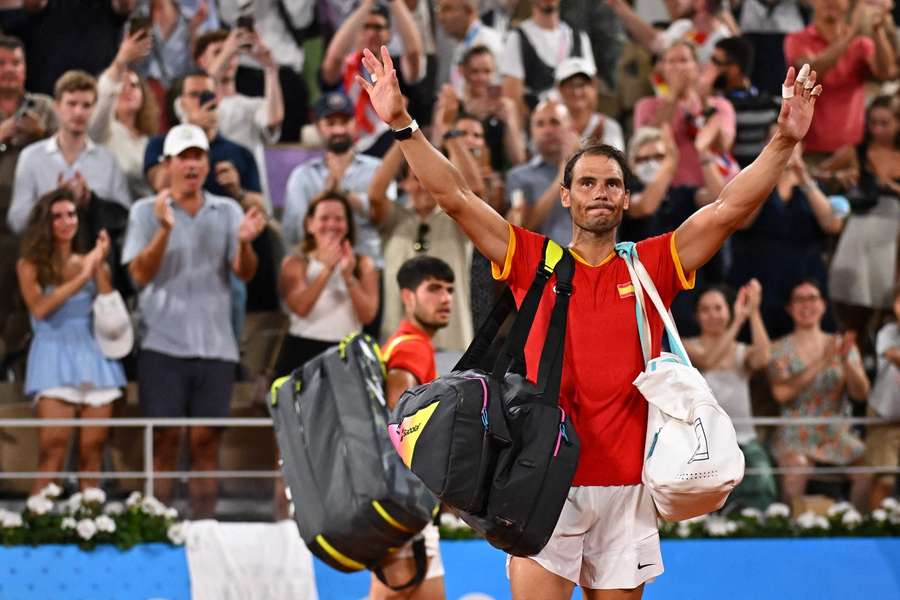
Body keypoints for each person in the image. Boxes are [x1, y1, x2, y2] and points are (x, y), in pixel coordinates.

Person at [358, 44, 821, 598]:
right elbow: (455, 196)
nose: (599, 193)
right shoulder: (534, 259)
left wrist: (785, 141)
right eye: (587, 183)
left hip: (628, 489)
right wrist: (403, 125)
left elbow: (729, 208)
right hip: (542, 485)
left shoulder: (653, 265)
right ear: (566, 195)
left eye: (611, 184)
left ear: (626, 197)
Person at [122, 123, 266, 517]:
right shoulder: (144, 212)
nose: (191, 164)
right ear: (167, 164)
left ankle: (205, 532)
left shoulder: (228, 210)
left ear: (206, 163)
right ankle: (159, 530)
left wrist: (245, 242)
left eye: (197, 156)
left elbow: (244, 272)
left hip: (216, 348)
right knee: (164, 442)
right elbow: (138, 275)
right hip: (161, 347)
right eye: (182, 157)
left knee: (206, 444)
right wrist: (164, 231)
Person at [17, 187, 125, 493]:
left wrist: (98, 265)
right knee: (52, 448)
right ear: (45, 223)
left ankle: (91, 523)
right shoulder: (30, 264)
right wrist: (84, 273)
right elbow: (40, 308)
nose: (67, 221)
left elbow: (108, 302)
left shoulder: (90, 262)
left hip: (94, 356)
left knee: (93, 450)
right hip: (52, 355)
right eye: (58, 216)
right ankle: (39, 527)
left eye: (71, 214)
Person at [374, 255, 454, 600]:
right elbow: (398, 423)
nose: (446, 298)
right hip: (403, 504)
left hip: (411, 506)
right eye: (434, 288)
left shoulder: (400, 343)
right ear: (408, 297)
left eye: (449, 289)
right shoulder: (413, 347)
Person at [768, 279, 871, 511]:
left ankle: (857, 527)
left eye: (812, 298)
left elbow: (861, 394)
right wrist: (822, 362)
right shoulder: (778, 349)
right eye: (799, 299)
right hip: (795, 428)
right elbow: (781, 393)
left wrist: (847, 363)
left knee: (866, 471)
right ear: (789, 308)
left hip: (834, 429)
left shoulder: (841, 345)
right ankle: (787, 528)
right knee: (796, 467)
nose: (807, 305)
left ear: (823, 305)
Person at [728, 134, 845, 339]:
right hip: (760, 275)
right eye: (779, 140)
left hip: (804, 276)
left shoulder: (815, 187)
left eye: (792, 142)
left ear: (803, 147)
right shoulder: (751, 183)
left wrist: (803, 177)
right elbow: (742, 222)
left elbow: (831, 224)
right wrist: (768, 177)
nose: (786, 148)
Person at [369, 136, 478, 352]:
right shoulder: (394, 219)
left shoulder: (458, 218)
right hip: (399, 340)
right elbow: (375, 195)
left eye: (431, 177)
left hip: (453, 342)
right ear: (404, 184)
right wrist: (402, 135)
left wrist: (451, 137)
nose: (424, 185)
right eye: (416, 177)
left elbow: (475, 192)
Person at [684, 281, 778, 510]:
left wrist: (753, 311)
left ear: (727, 310)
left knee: (764, 479)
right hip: (701, 441)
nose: (712, 315)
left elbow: (764, 358)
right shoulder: (687, 346)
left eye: (718, 308)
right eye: (705, 310)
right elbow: (708, 361)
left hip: (743, 438)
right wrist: (738, 320)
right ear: (697, 316)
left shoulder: (740, 351)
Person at [8, 70, 131, 235]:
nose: (78, 112)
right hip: (44, 254)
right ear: (57, 107)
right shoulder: (31, 157)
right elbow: (16, 222)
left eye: (86, 105)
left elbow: (124, 218)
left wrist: (91, 201)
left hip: (94, 253)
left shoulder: (109, 161)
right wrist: (54, 200)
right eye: (72, 104)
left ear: (95, 109)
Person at [273, 190, 379, 378]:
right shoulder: (295, 263)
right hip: (302, 350)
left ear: (347, 225)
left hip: (348, 353)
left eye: (339, 218)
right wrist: (327, 270)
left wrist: (348, 277)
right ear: (310, 224)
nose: (332, 224)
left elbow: (368, 315)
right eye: (324, 218)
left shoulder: (363, 264)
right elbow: (300, 307)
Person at [0, 34, 57, 373]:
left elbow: (67, 151)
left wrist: (42, 138)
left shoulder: (45, 107)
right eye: (2, 63)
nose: (9, 70)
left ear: (26, 69)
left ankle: (22, 361)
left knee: (31, 296)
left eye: (16, 63)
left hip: (36, 218)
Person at [282, 91, 390, 266]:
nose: (339, 130)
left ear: (355, 123)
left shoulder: (377, 169)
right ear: (317, 126)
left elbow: (388, 221)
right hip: (316, 269)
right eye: (330, 123)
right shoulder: (302, 176)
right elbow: (292, 234)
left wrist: (344, 193)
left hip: (368, 268)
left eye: (345, 122)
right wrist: (325, 199)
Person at [826, 95, 900, 346]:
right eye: (873, 123)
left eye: (885, 123)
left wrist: (892, 187)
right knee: (850, 291)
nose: (877, 129)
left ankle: (870, 347)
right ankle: (851, 344)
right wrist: (841, 176)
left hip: (891, 235)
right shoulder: (856, 152)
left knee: (883, 294)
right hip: (859, 228)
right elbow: (819, 172)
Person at [783, 0, 897, 156]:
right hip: (811, 151)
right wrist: (852, 34)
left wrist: (878, 31)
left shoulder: (861, 43)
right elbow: (811, 72)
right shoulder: (796, 40)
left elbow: (886, 73)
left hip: (853, 151)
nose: (831, 2)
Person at [194, 28, 284, 213]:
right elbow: (203, 94)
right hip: (202, 204)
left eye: (234, 53)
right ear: (201, 61)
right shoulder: (191, 104)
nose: (228, 58)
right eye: (218, 52)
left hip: (249, 203)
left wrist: (270, 68)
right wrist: (229, 49)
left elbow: (273, 119)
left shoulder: (252, 105)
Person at [320, 0, 424, 155]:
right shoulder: (346, 67)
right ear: (356, 33)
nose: (371, 33)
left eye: (378, 27)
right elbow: (333, 59)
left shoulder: (396, 69)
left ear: (389, 34)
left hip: (392, 148)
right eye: (365, 27)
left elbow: (414, 53)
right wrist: (367, 4)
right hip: (349, 148)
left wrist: (395, 2)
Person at [634, 41, 737, 189]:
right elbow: (647, 143)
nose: (677, 66)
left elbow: (723, 146)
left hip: (715, 187)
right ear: (662, 69)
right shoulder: (646, 106)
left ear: (696, 67)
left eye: (683, 60)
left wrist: (704, 102)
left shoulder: (720, 105)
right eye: (671, 61)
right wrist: (673, 95)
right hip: (670, 190)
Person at [89, 27, 159, 201]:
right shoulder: (103, 131)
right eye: (122, 84)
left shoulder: (149, 140)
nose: (127, 89)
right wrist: (120, 62)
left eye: (134, 85)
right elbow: (104, 96)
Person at [505, 100, 581, 245]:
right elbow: (522, 227)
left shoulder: (593, 172)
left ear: (571, 129)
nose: (547, 130)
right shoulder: (518, 177)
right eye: (540, 124)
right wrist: (563, 173)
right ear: (532, 131)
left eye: (555, 122)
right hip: (545, 263)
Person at [500, 0, 596, 114]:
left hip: (573, 125)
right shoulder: (516, 38)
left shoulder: (580, 38)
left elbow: (591, 96)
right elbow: (513, 100)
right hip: (536, 124)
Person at [706, 36, 781, 168]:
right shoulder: (770, 105)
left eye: (715, 62)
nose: (709, 66)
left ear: (734, 69)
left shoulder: (769, 105)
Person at [605, 0, 737, 64]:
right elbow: (656, 43)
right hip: (668, 97)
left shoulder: (721, 39)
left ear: (701, 3)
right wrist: (618, 6)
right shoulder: (685, 27)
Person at [866, 284, 900, 510]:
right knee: (884, 480)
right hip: (885, 416)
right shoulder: (887, 333)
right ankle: (874, 528)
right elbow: (893, 356)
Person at [554, 57, 625, 151]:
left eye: (582, 84)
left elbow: (615, 162)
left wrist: (577, 150)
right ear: (559, 89)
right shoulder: (550, 124)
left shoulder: (609, 127)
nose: (577, 92)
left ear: (594, 87)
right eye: (570, 85)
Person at [434, 0, 503, 93]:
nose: (440, 17)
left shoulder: (489, 42)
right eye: (439, 10)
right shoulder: (463, 44)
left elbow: (496, 91)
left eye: (447, 9)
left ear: (469, 11)